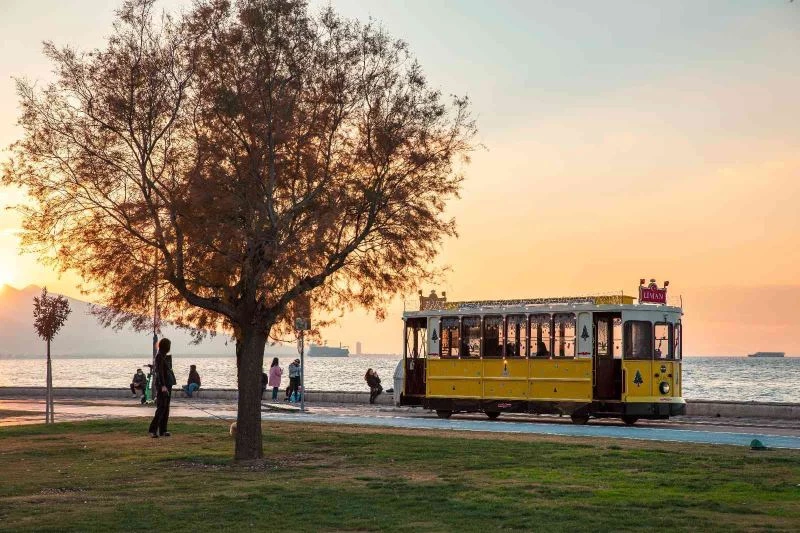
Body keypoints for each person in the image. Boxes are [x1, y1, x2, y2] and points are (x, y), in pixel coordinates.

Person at [148, 338, 175, 438]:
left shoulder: (164, 356)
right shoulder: (159, 356)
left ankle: (163, 430)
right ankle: (152, 430)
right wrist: (163, 386)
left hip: (168, 384)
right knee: (161, 408)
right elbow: (159, 373)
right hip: (162, 386)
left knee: (166, 408)